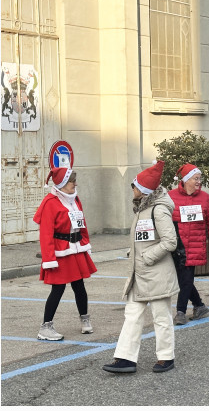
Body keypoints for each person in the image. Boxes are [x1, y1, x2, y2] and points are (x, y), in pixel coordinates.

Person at [103, 160, 179, 374]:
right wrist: (135, 254)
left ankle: (166, 357)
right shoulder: (142, 209)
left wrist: (146, 257)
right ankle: (125, 358)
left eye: (135, 186)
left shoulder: (159, 211)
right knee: (132, 315)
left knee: (161, 316)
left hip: (156, 273)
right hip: (139, 273)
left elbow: (169, 241)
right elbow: (144, 239)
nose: (132, 189)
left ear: (144, 191)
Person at [33, 167, 97, 341]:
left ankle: (84, 319)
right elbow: (45, 233)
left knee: (79, 286)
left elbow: (82, 223)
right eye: (72, 181)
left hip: (75, 248)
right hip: (60, 251)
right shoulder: (50, 203)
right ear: (61, 184)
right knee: (58, 288)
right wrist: (49, 259)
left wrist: (85, 242)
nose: (75, 184)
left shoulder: (74, 198)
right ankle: (45, 327)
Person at [169, 163, 209, 325]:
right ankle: (199, 305)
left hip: (194, 246)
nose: (199, 181)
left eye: (200, 178)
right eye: (196, 178)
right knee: (183, 279)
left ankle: (180, 312)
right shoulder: (170, 196)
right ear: (185, 180)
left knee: (185, 279)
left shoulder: (205, 198)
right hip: (175, 246)